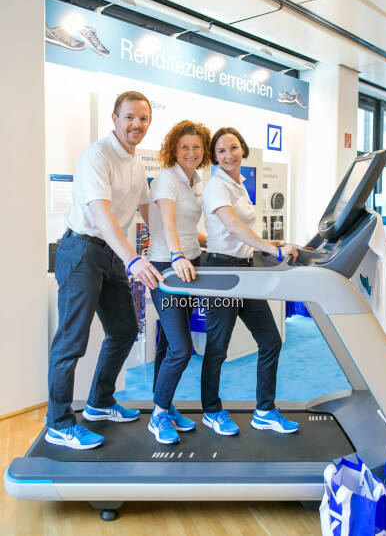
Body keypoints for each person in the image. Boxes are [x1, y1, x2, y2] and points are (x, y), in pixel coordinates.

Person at [46, 91, 164, 450]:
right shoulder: (97, 156)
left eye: (143, 119)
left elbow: (147, 212)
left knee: (125, 330)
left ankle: (99, 402)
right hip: (82, 249)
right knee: (72, 341)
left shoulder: (136, 162)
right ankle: (60, 422)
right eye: (129, 117)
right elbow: (102, 215)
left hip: (111, 253)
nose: (136, 124)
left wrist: (181, 246)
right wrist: (133, 259)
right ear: (114, 118)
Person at [201, 127, 300, 436]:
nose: (228, 155)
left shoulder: (241, 186)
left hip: (244, 271)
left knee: (271, 340)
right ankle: (212, 411)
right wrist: (271, 249)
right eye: (221, 151)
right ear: (214, 157)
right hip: (222, 273)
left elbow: (244, 233)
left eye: (232, 148)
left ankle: (265, 410)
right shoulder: (217, 186)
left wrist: (271, 242)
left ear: (242, 149)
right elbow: (231, 226)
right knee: (217, 348)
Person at [147, 120, 211, 444]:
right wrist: (176, 256)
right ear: (174, 149)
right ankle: (157, 414)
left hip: (190, 264)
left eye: (197, 147)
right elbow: (168, 223)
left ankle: (165, 403)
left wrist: (211, 240)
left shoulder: (194, 180)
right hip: (168, 268)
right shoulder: (166, 181)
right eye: (184, 146)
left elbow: (188, 227)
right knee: (182, 348)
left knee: (167, 344)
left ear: (204, 150)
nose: (191, 152)